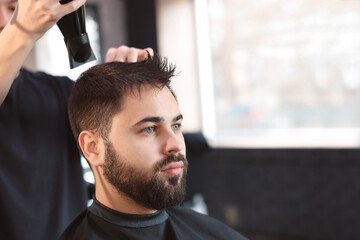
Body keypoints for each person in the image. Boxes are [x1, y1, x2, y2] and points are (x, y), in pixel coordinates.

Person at [0, 0, 153, 239]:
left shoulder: (61, 93)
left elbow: (129, 155)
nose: (3, 21)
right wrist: (21, 30)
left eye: (12, 9)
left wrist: (127, 87)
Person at [59, 54, 248, 240]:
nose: (175, 144)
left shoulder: (212, 233)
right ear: (93, 147)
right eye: (149, 129)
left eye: (175, 126)